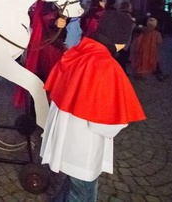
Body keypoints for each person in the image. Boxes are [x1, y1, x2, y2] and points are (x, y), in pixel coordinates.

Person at [40, 10, 146, 201]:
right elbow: (104, 125)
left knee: (72, 188)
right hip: (82, 147)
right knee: (83, 196)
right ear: (121, 40)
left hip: (65, 137)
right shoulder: (106, 65)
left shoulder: (78, 50)